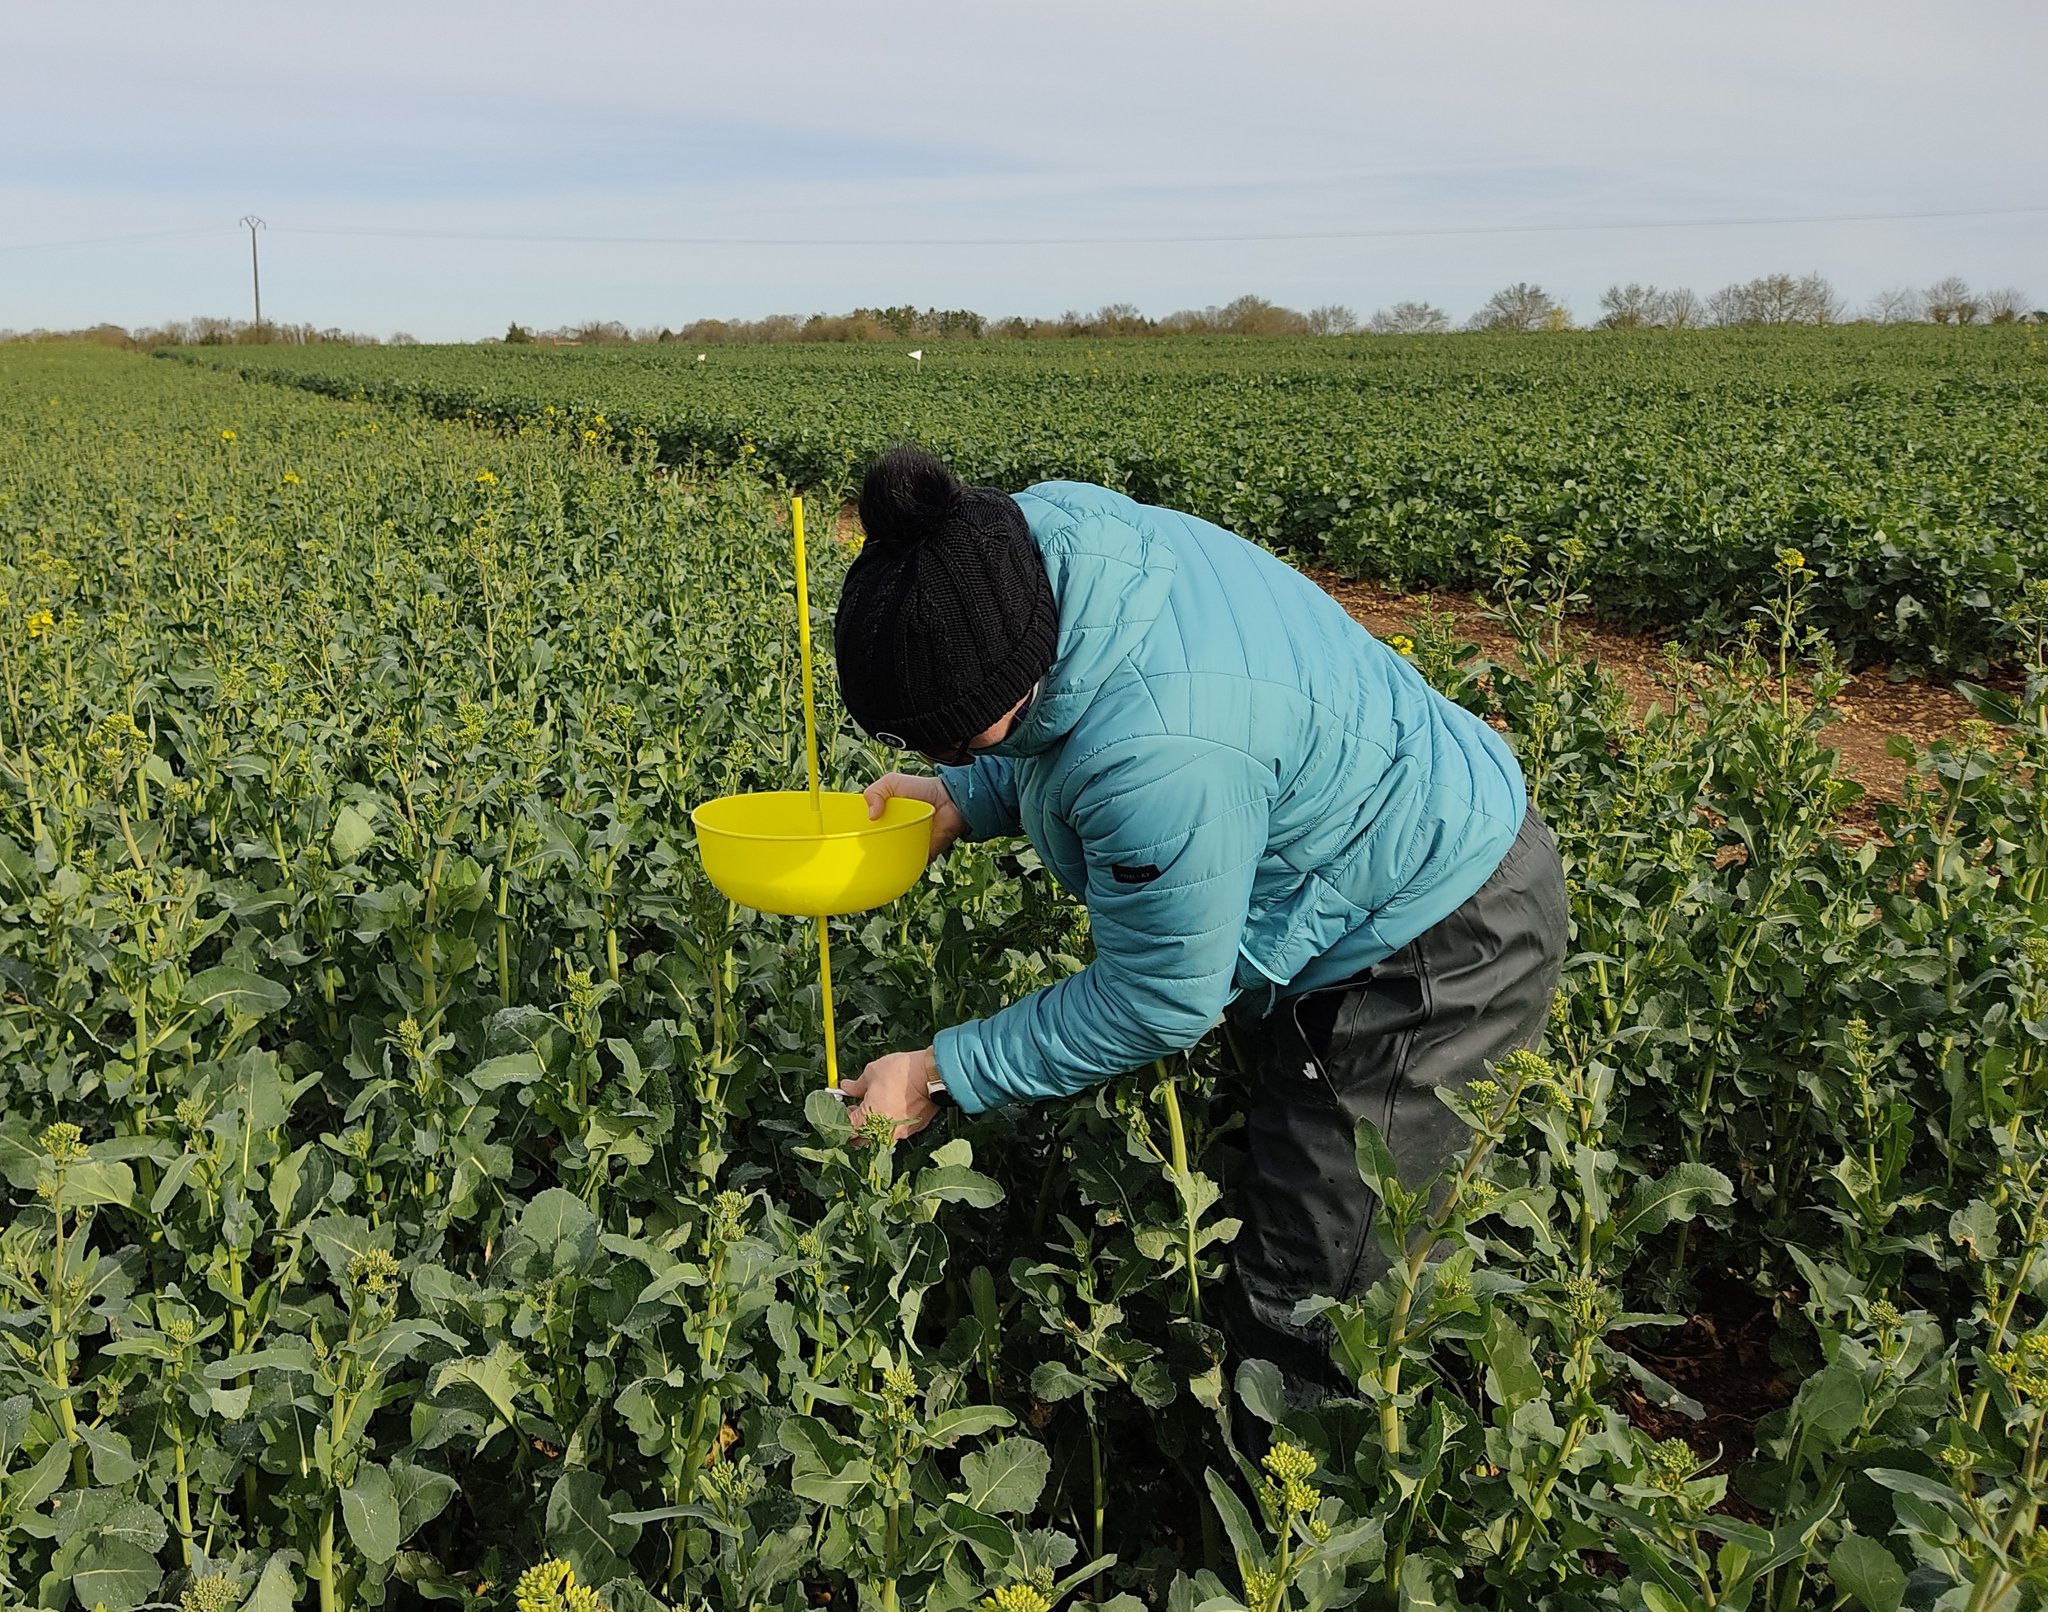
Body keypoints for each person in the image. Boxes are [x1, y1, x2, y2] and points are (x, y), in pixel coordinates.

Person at [831, 444, 1567, 1390]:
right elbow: (1070, 712)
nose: (943, 755)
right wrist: (965, 793)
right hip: (1363, 839)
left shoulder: (1162, 757)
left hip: (1440, 937)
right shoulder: (1040, 544)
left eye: (957, 740)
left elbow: (1157, 998)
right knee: (1286, 1172)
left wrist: (942, 1072)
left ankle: (1351, 1470)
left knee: (1325, 1298)